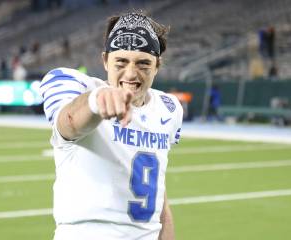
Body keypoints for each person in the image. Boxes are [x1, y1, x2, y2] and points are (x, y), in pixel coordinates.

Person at [39, 12, 183, 240]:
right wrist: (95, 101)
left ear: (157, 65)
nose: (131, 73)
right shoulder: (76, 86)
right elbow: (68, 123)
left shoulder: (169, 108)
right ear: (105, 60)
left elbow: (160, 198)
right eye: (121, 62)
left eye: (143, 63)